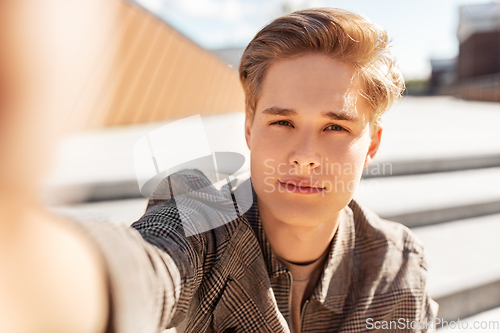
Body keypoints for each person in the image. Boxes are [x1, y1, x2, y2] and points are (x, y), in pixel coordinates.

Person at [0, 5, 438, 333]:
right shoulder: (200, 223)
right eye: (282, 122)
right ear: (249, 128)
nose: (305, 155)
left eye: (335, 127)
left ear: (372, 144)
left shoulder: (397, 265)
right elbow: (144, 262)